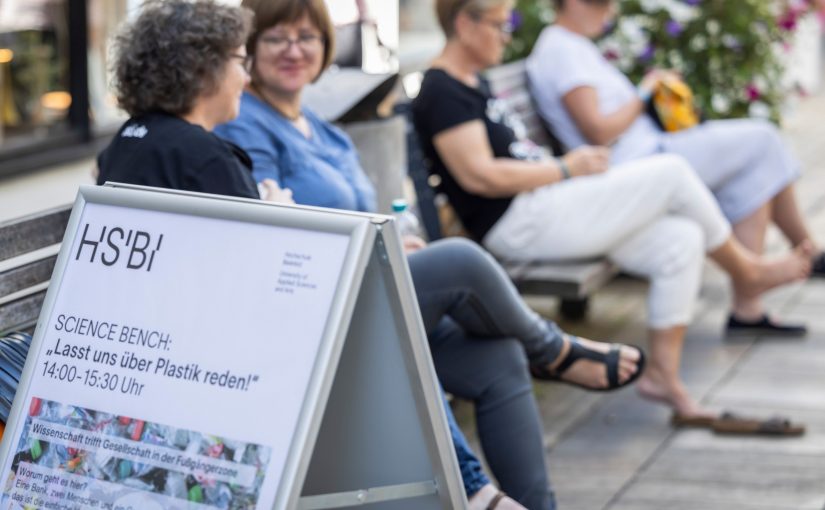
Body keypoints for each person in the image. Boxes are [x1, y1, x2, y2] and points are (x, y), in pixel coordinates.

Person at [95, 1, 632, 508]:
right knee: (432, 283)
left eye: (306, 37)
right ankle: (491, 455)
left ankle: (516, 487)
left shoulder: (130, 141)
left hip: (218, 332)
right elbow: (255, 272)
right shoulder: (212, 152)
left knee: (492, 355)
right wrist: (278, 216)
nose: (245, 73)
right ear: (204, 71)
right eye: (243, 59)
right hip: (246, 352)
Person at [409, 0, 812, 428]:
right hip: (521, 222)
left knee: (680, 239)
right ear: (465, 24)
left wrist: (565, 172)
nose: (506, 35)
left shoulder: (470, 82)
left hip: (548, 205)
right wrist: (566, 167)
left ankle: (663, 377)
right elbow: (480, 176)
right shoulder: (442, 90)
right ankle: (746, 271)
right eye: (499, 25)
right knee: (671, 174)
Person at [526, 0, 825, 335]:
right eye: (601, 3)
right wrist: (645, 91)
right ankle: (798, 258)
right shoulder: (561, 50)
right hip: (637, 162)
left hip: (650, 149)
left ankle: (755, 300)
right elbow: (597, 130)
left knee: (755, 158)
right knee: (762, 142)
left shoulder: (572, 46)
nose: (609, 10)